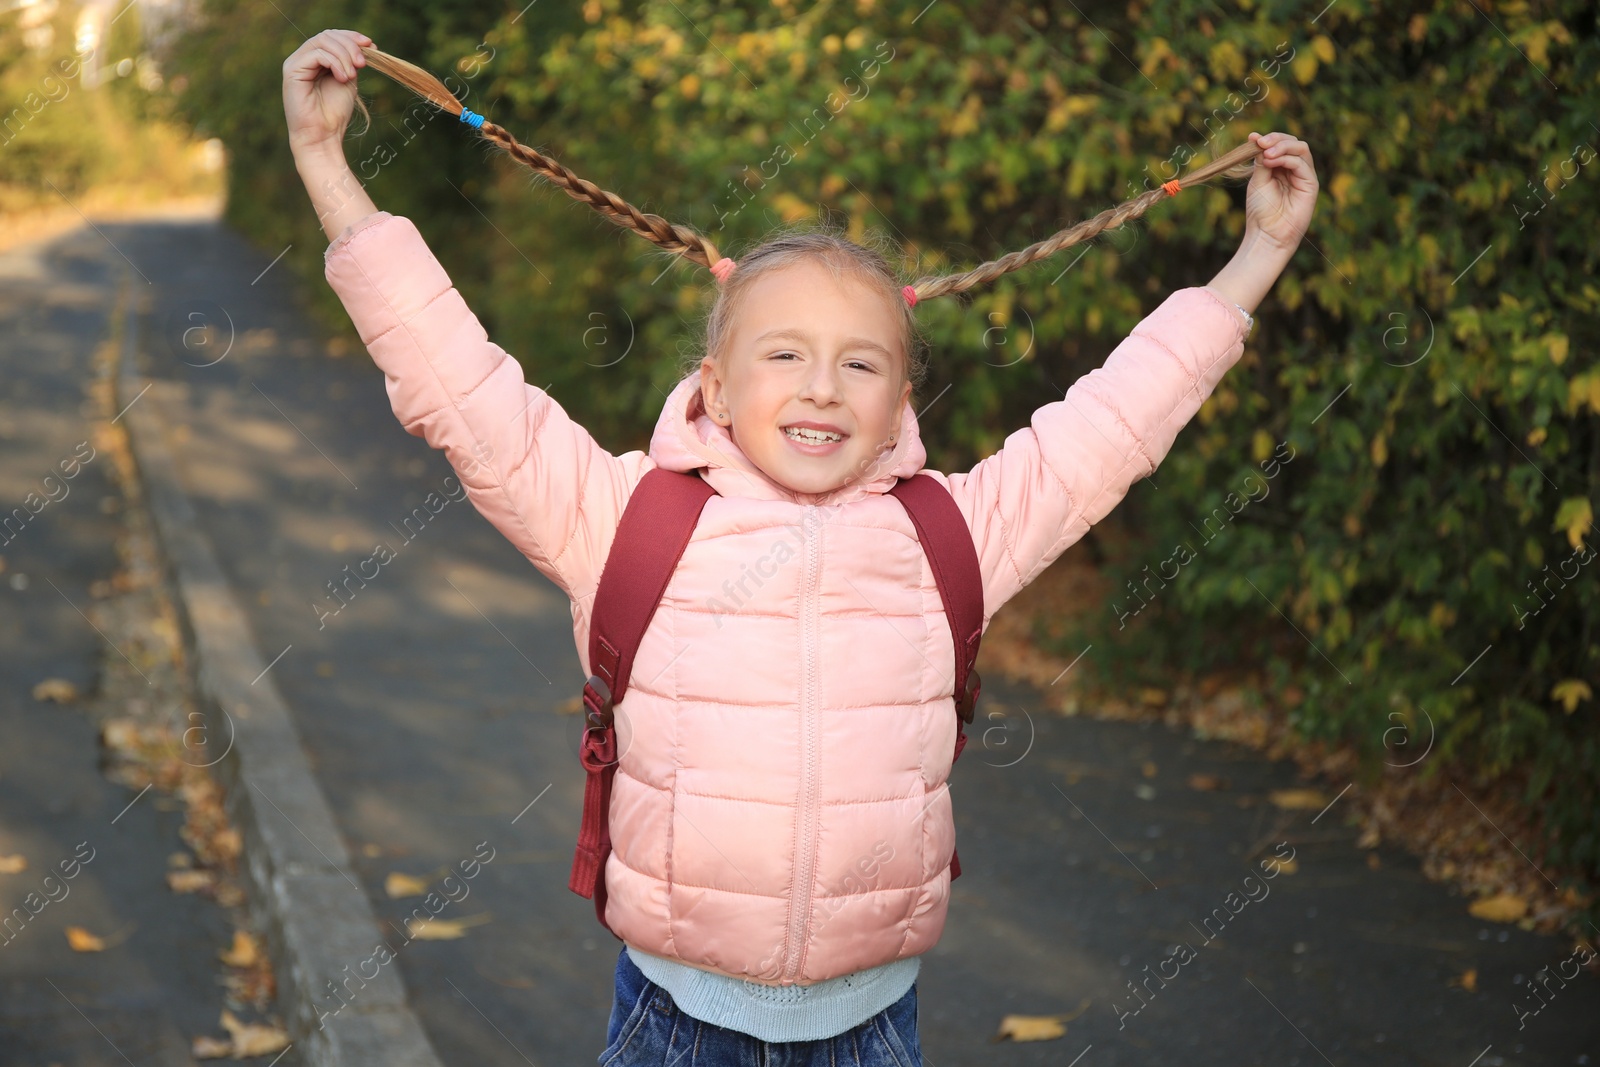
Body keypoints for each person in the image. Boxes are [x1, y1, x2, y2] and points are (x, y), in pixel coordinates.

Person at [282, 27, 1318, 1066]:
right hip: (675, 1022)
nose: (822, 385)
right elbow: (460, 387)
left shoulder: (945, 536)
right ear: (718, 384)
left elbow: (1109, 432)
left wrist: (1257, 256)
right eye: (784, 353)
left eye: (859, 363)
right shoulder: (623, 520)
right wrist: (331, 168)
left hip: (874, 1026)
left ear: (898, 399)